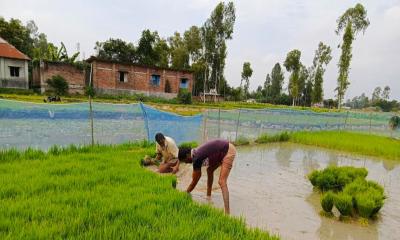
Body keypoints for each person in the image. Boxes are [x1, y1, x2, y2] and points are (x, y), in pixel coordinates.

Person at [178, 139, 236, 214]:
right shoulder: (195, 152)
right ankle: (208, 196)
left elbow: (194, 181)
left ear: (187, 155)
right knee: (209, 170)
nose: (186, 163)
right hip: (221, 151)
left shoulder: (196, 158)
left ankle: (227, 213)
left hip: (228, 151)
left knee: (222, 181)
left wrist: (185, 193)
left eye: (185, 161)